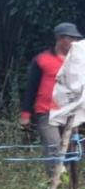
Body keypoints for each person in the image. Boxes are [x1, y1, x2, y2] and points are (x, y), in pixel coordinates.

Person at [21, 22, 82, 174]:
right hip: (47, 112)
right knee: (54, 150)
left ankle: (68, 185)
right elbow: (31, 87)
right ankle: (55, 185)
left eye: (76, 39)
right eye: (71, 38)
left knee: (71, 151)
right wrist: (25, 114)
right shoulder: (42, 60)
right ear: (60, 38)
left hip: (71, 113)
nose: (74, 42)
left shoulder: (79, 61)